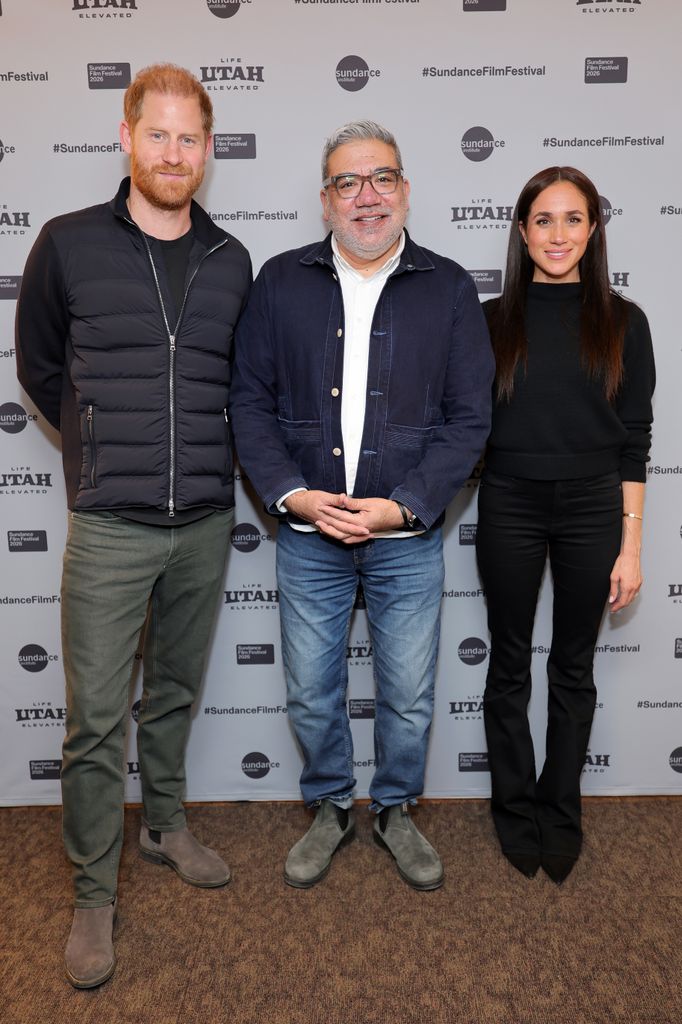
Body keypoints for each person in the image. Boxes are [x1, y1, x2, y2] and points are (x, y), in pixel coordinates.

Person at [15, 64, 251, 987]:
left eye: (189, 138)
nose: (173, 153)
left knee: (176, 693)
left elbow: (242, 385)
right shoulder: (67, 243)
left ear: (208, 149)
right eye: (158, 134)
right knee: (95, 721)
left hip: (204, 521)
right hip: (110, 524)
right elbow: (41, 368)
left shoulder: (231, 259)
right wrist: (96, 446)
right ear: (126, 137)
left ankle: (165, 825)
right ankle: (92, 892)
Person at [230, 120, 494, 891]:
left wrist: (401, 508)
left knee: (407, 697)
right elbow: (249, 403)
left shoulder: (449, 289)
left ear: (405, 191)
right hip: (307, 532)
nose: (366, 196)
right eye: (348, 182)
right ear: (326, 200)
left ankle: (396, 808)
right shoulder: (280, 283)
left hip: (405, 537)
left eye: (382, 179)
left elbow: (469, 419)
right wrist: (295, 496)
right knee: (312, 692)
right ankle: (331, 806)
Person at [475, 166, 655, 884]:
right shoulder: (489, 321)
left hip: (592, 508)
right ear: (523, 231)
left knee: (573, 668)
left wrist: (631, 545)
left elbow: (635, 439)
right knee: (509, 662)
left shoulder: (625, 322)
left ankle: (561, 810)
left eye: (573, 219)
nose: (558, 234)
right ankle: (514, 811)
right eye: (543, 220)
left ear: (593, 229)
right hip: (509, 501)